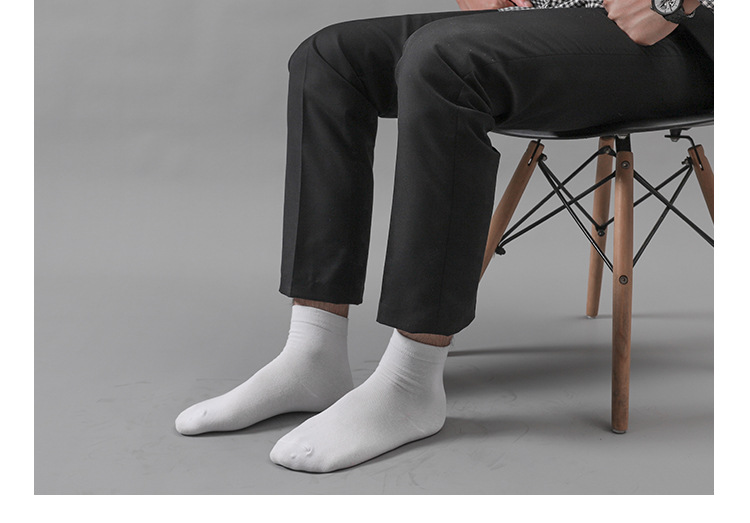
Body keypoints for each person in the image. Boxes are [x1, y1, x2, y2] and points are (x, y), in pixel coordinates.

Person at [175, 0, 714, 473]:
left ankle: (412, 383)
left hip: (686, 34)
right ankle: (313, 352)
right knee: (329, 58)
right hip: (563, 16)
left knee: (445, 61)